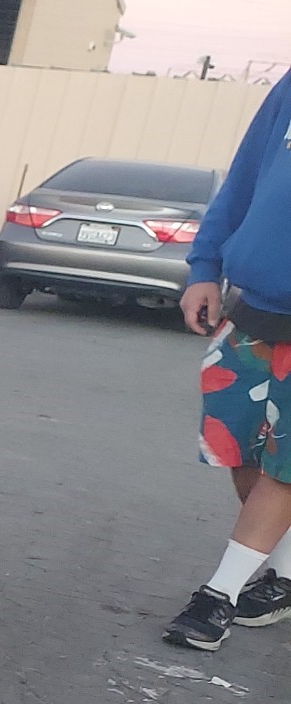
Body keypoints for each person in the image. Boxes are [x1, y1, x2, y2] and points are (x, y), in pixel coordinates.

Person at [165, 76, 291, 650]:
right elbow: (242, 181)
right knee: (237, 449)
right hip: (255, 309)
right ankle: (285, 576)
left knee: (285, 466)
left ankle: (220, 594)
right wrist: (203, 268)